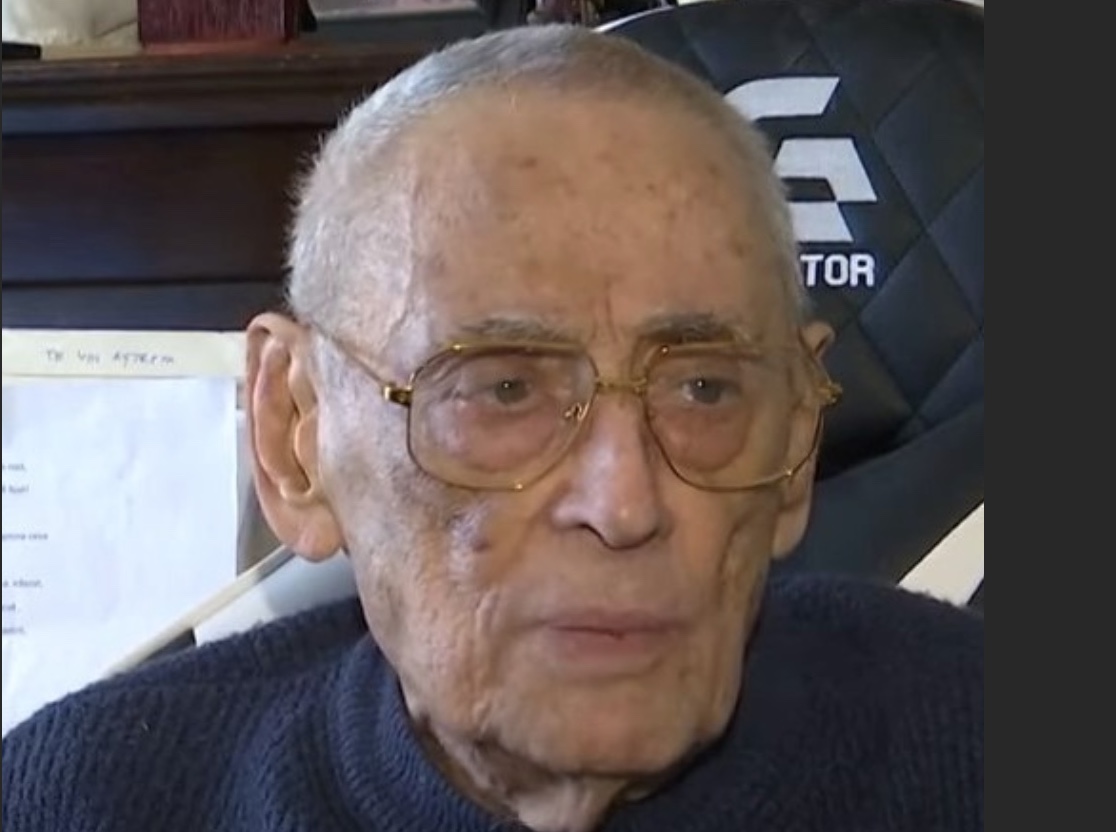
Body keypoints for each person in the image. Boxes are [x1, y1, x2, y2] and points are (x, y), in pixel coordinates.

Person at [1, 23, 983, 832]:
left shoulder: (976, 745)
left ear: (799, 439)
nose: (625, 503)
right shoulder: (84, 800)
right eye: (503, 390)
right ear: (294, 433)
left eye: (703, 390)